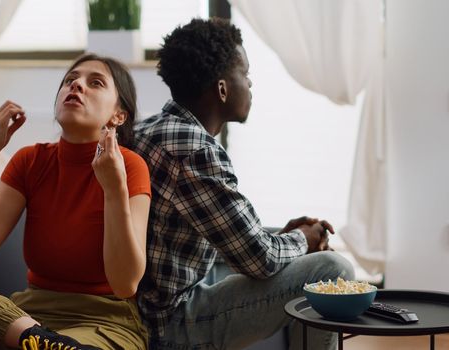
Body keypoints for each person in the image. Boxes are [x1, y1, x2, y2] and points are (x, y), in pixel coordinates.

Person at [0, 54, 151, 350]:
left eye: (95, 82)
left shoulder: (130, 166)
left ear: (118, 116)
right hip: (27, 313)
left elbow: (125, 284)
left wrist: (114, 189)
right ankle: (35, 339)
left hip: (104, 321)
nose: (77, 86)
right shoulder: (30, 161)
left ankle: (32, 341)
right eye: (70, 80)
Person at [133, 18, 355, 350]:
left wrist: (285, 239)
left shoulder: (146, 130)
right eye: (246, 75)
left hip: (147, 305)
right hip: (170, 324)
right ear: (222, 88)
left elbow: (233, 241)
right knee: (331, 269)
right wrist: (304, 238)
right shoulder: (195, 151)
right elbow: (259, 260)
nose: (251, 84)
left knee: (297, 257)